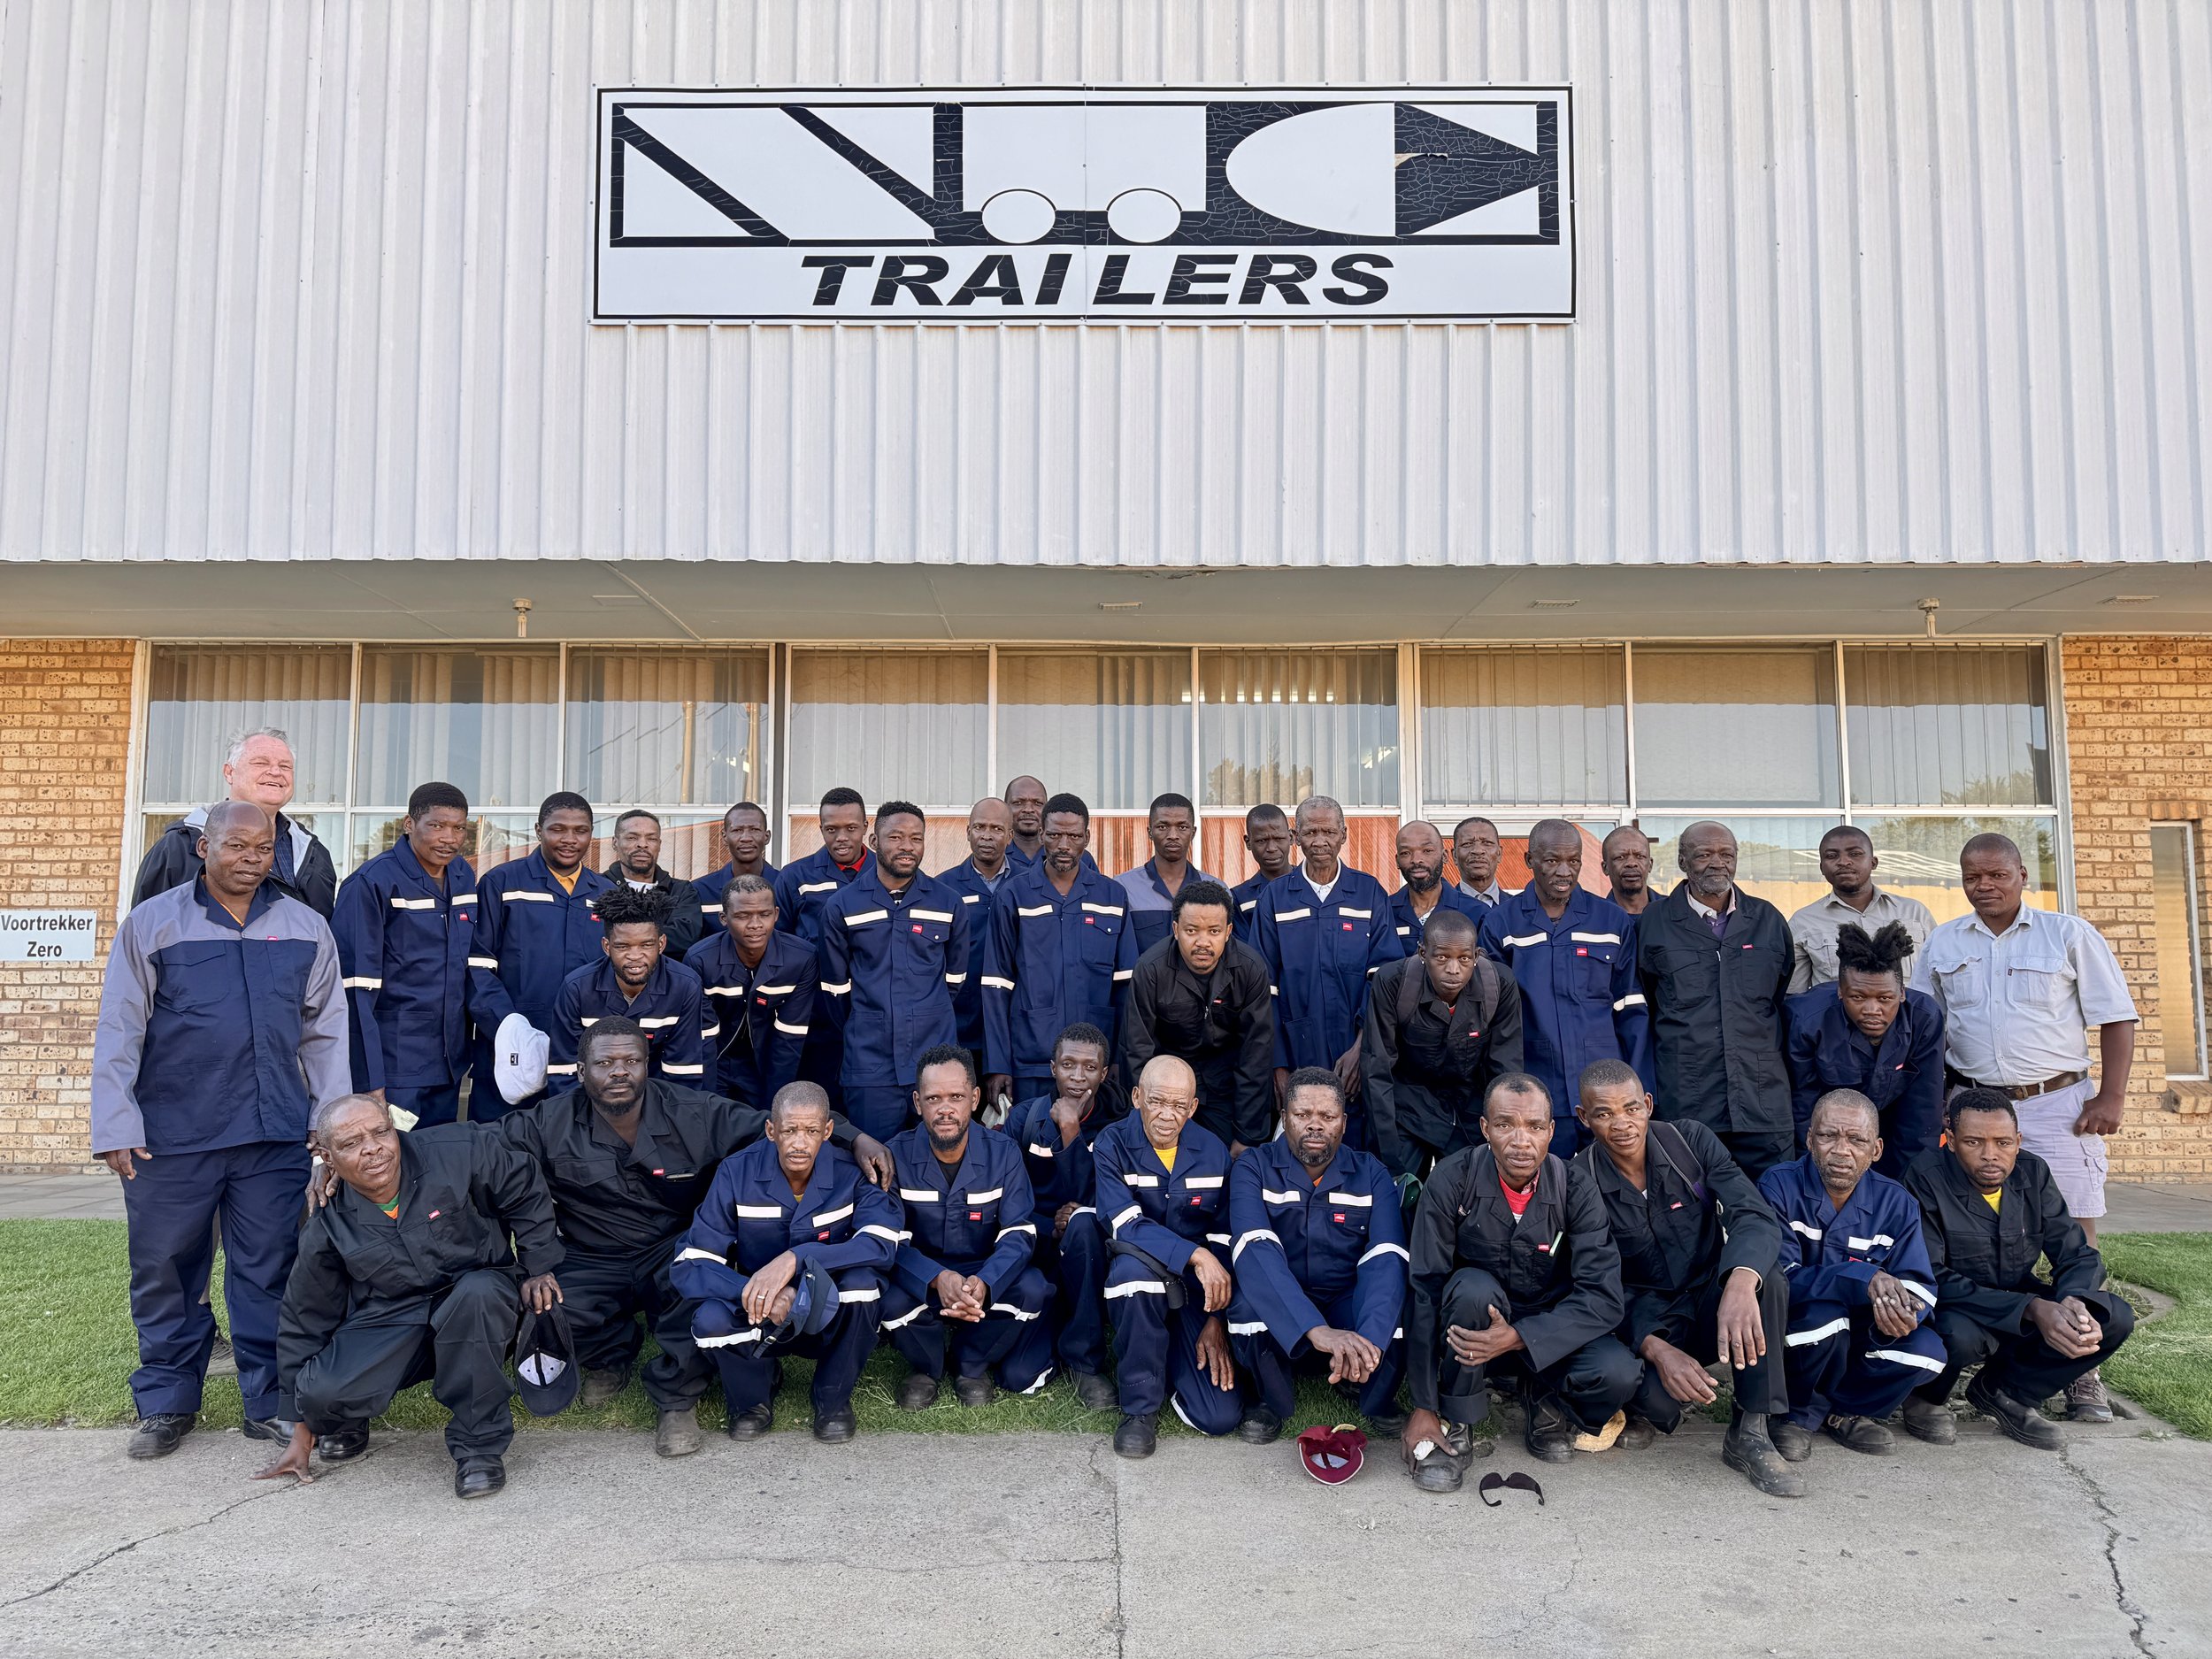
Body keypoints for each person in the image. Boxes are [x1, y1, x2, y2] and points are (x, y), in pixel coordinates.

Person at [495, 1017, 889, 1456]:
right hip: (591, 1255)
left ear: (649, 1066)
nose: (620, 1071)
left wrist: (857, 1138)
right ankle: (609, 1355)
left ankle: (677, 1400)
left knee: (699, 1295)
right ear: (580, 1071)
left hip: (667, 1246)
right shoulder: (547, 1122)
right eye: (605, 1062)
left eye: (631, 1060)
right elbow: (482, 1147)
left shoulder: (695, 1112)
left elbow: (784, 1122)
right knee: (548, 1306)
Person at [92, 800, 349, 1460]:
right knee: (167, 1268)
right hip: (171, 1134)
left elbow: (325, 1035)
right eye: (236, 846)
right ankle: (167, 1402)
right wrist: (115, 1120)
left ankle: (268, 1399)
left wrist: (332, 1125)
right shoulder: (152, 924)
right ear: (205, 847)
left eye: (262, 850)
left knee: (269, 1270)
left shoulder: (305, 926)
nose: (250, 859)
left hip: (272, 1134)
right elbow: (121, 1028)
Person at [1914, 832, 2138, 1422]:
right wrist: (1937, 1102)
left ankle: (2080, 1368)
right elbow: (1925, 1031)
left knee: (2077, 1236)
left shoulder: (2068, 934)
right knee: (1961, 1232)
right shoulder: (1942, 942)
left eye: (1996, 874)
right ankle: (1977, 1340)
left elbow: (2116, 1016)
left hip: (2055, 1103)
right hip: (1969, 1103)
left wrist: (2111, 1095)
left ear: (2021, 874)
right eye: (1972, 876)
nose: (1984, 885)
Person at [258, 1094, 561, 1499]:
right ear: (327, 1160)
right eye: (351, 1144)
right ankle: (347, 1420)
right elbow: (305, 1316)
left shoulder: (457, 1151)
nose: (373, 1148)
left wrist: (537, 1266)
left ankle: (478, 1450)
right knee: (320, 1392)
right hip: (397, 1313)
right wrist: (299, 1426)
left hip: (478, 1296)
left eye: (381, 1132)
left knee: (478, 1294)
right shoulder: (327, 1221)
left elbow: (523, 1187)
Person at [1571, 1059, 1799, 1495]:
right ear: (1583, 1118)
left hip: (1713, 1299)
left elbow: (1753, 1214)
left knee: (1766, 1277)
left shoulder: (1688, 1142)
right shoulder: (1577, 1182)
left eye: (1632, 1108)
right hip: (1647, 1317)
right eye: (1604, 1113)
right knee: (1657, 1401)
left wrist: (1738, 1280)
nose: (1622, 1124)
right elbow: (1595, 1286)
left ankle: (1751, 1428)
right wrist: (1654, 1348)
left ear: (1649, 1105)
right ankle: (1641, 1410)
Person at [1402, 1074, 1638, 1489]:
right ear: (1485, 1129)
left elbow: (1602, 1296)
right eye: (1506, 1125)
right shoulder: (1452, 1181)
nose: (1520, 1141)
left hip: (1546, 1334)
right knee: (1472, 1288)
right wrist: (1422, 1405)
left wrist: (1519, 1337)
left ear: (1551, 1131)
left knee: (1616, 1372)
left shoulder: (1577, 1188)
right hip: (1473, 1330)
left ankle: (1544, 1397)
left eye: (1533, 1127)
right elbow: (1424, 1289)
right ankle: (1458, 1418)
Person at [1899, 1089, 2136, 1450]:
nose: (1990, 1154)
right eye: (1974, 1141)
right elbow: (1930, 1275)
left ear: (2018, 1141)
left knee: (2110, 1315)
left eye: (2003, 1142)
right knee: (1953, 1336)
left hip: (2016, 1293)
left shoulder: (2033, 1172)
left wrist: (2073, 1299)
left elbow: (2077, 1253)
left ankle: (2006, 1392)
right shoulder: (1925, 1176)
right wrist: (2031, 1309)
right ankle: (1924, 1399)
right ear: (1950, 1140)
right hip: (1959, 1305)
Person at [672, 1082, 902, 1441]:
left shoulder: (853, 1170)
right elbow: (691, 1261)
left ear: (827, 1131)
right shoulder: (737, 1172)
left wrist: (797, 1258)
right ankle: (752, 1400)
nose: (799, 1143)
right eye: (790, 1130)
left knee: (864, 1287)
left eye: (811, 1131)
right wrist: (758, 1291)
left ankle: (832, 1398)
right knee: (710, 1319)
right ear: (771, 1130)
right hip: (761, 1313)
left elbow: (881, 1243)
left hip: (828, 1310)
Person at [1758, 1089, 1944, 1460]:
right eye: (1829, 1136)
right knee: (1825, 1320)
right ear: (1810, 1139)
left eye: (1856, 1140)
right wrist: (1863, 1278)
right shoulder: (1778, 1186)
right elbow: (1782, 1278)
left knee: (1927, 1352)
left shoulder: (1897, 1202)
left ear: (1876, 1150)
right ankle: (1795, 1416)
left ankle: (1848, 1413)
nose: (1841, 1150)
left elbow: (1919, 1282)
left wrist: (1905, 1312)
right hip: (1802, 1322)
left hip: (1863, 1328)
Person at [1225, 1068, 1408, 1444]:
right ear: (1284, 1117)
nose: (1315, 1125)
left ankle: (1367, 1386)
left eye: (1327, 1116)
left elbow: (1386, 1257)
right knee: (1246, 1308)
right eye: (1302, 1115)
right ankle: (1268, 1400)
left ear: (1343, 1122)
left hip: (1343, 1301)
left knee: (1399, 1309)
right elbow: (1256, 1252)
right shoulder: (1253, 1167)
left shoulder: (1371, 1173)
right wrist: (1316, 1330)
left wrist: (1369, 1343)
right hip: (1282, 1307)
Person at [882, 1047, 1055, 1407]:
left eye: (956, 1097)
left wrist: (986, 1283)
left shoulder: (1004, 1152)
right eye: (934, 1098)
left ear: (975, 1098)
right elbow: (887, 1240)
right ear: (917, 1102)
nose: (946, 1109)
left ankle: (971, 1364)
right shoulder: (894, 1156)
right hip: (923, 1278)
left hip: (983, 1272)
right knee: (884, 1292)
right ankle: (927, 1367)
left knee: (1033, 1288)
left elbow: (1019, 1234)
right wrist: (935, 1277)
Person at [1635, 821, 1798, 1178]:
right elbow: (1647, 1000)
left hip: (1762, 1102)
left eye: (1727, 854)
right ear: (1682, 860)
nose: (1717, 863)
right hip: (1689, 1099)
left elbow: (1779, 996)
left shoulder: (1767, 920)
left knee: (1773, 1205)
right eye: (1704, 854)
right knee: (1692, 1211)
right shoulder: (1654, 922)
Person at [1095, 1056, 1240, 1456]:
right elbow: (1125, 1223)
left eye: (1179, 1106)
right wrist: (1195, 1254)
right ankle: (1140, 1409)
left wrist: (1217, 1320)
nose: (1167, 1115)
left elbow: (1226, 1239)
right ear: (1138, 1097)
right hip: (1139, 1269)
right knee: (1133, 1277)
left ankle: (1171, 1364)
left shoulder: (1213, 1150)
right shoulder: (1111, 1143)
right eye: (1158, 1101)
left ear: (1193, 1108)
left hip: (1196, 1291)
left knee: (1219, 1418)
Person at [1479, 819, 1650, 1158]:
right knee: (1545, 1191)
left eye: (1573, 861)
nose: (1564, 871)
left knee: (1611, 1191)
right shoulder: (1502, 923)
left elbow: (1630, 1010)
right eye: (1552, 860)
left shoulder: (1611, 921)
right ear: (1529, 861)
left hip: (1606, 1097)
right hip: (1536, 1092)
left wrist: (1641, 1093)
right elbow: (1491, 1020)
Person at [331, 782, 479, 1129]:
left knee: (441, 1164)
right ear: (409, 824)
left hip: (450, 1061)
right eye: (437, 826)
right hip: (395, 1065)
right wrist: (370, 1081)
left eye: (459, 828)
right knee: (389, 1166)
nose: (449, 838)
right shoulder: (371, 883)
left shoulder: (462, 875)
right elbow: (354, 990)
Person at [817, 801, 969, 1139]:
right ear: (874, 841)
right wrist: (869, 1021)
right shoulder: (843, 905)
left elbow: (954, 981)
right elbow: (835, 990)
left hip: (934, 1063)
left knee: (938, 1160)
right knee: (874, 1161)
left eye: (916, 839)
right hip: (871, 1066)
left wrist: (924, 1014)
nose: (906, 847)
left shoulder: (947, 903)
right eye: (896, 837)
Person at [982, 792, 1138, 1108]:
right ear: (1041, 835)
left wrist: (1121, 1057)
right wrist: (997, 1062)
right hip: (1032, 1058)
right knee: (1030, 1146)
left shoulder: (1112, 896)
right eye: (1054, 835)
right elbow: (995, 985)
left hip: (1096, 1064)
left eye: (1073, 836)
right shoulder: (1015, 895)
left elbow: (1127, 987)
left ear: (1087, 838)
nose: (1064, 845)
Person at [1255, 795, 1404, 1121]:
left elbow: (1383, 979)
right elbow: (1263, 990)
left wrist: (1360, 1051)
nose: (1319, 842)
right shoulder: (1276, 898)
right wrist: (1278, 1065)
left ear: (1344, 834)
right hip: (1296, 1051)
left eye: (1328, 832)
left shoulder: (1368, 893)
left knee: (1356, 1142)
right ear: (1296, 837)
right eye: (1310, 832)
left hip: (1356, 1052)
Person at [468, 793, 615, 1120]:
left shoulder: (606, 894)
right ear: (538, 830)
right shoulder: (502, 883)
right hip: (510, 1047)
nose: (569, 840)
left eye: (580, 830)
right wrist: (508, 1027)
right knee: (501, 1149)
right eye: (558, 829)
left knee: (571, 1146)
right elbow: (478, 966)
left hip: (582, 1045)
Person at [1007, 1023, 1125, 1410]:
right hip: (1037, 1247)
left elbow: (1104, 1198)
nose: (1078, 1077)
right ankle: (1047, 1332)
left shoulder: (1117, 1126)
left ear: (1104, 1074)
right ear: (1052, 1067)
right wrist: (1047, 1227)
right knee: (1017, 1376)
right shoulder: (1025, 1119)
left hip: (1090, 1252)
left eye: (1090, 1067)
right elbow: (1007, 1196)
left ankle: (1084, 1361)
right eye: (1068, 1065)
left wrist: (1072, 1128)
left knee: (1084, 1225)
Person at [1361, 910, 1524, 1179]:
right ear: (1423, 953)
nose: (1453, 969)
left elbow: (1505, 1070)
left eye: (1464, 959)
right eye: (1441, 957)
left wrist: (1501, 1138)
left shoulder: (1499, 985)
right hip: (1408, 1110)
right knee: (1401, 1198)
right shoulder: (1393, 983)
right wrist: (1390, 1160)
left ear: (1477, 956)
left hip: (1469, 1111)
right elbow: (1376, 1070)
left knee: (1472, 1198)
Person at [1119, 880, 1277, 1151]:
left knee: (1228, 1165)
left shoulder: (1250, 969)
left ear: (1228, 931)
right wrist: (1144, 1120)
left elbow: (1256, 1056)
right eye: (1192, 930)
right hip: (1167, 1085)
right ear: (1176, 929)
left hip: (1225, 1086)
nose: (1203, 942)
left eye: (1214, 931)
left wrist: (1247, 1135)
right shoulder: (1151, 969)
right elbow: (1137, 1050)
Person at [1786, 922, 1946, 1174]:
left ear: (1902, 993)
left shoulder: (1924, 1018)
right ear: (1840, 992)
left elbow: (1923, 1112)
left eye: (1885, 999)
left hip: (1892, 1129)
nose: (1872, 1010)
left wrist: (1913, 1183)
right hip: (1829, 1132)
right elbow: (1802, 1106)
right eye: (1858, 997)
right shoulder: (1806, 1020)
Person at [133, 726, 338, 917]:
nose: (276, 772)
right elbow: (143, 934)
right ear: (229, 773)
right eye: (261, 762)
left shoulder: (314, 854)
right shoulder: (179, 848)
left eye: (285, 766)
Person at [547, 887, 713, 1089]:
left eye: (645, 945)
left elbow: (682, 1074)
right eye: (623, 946)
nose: (635, 956)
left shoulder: (685, 986)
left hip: (656, 1099)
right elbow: (565, 1073)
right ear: (607, 947)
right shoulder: (577, 988)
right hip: (593, 1100)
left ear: (661, 944)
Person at [684, 875, 815, 1108]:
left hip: (766, 1061)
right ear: (724, 918)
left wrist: (774, 1105)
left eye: (764, 915)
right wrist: (707, 1101)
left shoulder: (801, 958)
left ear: (776, 914)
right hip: (717, 1058)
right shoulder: (700, 959)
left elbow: (789, 1038)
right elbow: (703, 1037)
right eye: (743, 916)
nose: (755, 925)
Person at [1786, 826, 1937, 995]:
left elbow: (1938, 981)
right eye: (1831, 856)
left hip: (1910, 1020)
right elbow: (1795, 996)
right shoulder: (1803, 921)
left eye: (1855, 854)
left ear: (1873, 862)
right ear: (1822, 867)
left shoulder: (1914, 912)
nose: (1843, 861)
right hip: (1836, 1020)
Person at [935, 797, 1017, 1087]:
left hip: (1014, 1023)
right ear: (968, 831)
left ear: (1010, 835)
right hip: (961, 1022)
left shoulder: (1030, 883)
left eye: (996, 828)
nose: (987, 835)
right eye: (980, 827)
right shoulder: (943, 888)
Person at [1115, 792, 1215, 956]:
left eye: (1182, 827)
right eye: (1163, 827)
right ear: (1149, 832)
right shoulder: (1123, 888)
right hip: (1144, 982)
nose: (1173, 836)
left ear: (1193, 833)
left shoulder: (1216, 890)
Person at [773, 787, 874, 946]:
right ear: (822, 829)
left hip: (871, 970)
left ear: (865, 827)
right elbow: (779, 939)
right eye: (831, 829)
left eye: (851, 828)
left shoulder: (886, 874)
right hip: (815, 970)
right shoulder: (794, 876)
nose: (841, 837)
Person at [604, 809, 705, 959]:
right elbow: (592, 935)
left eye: (651, 839)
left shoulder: (680, 891)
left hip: (667, 980)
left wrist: (624, 936)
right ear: (615, 842)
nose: (642, 845)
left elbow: (684, 938)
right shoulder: (599, 887)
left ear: (659, 844)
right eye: (632, 838)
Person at [1388, 819, 1486, 946]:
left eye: (1427, 850)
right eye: (1406, 853)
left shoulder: (1476, 912)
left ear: (1444, 856)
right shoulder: (1385, 911)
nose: (1416, 860)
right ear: (1397, 861)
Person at [690, 801, 780, 926]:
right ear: (724, 837)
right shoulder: (700, 890)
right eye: (737, 830)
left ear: (767, 836)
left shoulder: (785, 886)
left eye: (754, 830)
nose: (746, 838)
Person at [1231, 803, 1295, 941]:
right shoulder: (1239, 899)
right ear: (1248, 842)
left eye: (1278, 839)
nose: (1271, 848)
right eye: (1262, 841)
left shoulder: (1311, 887)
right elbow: (1245, 953)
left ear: (1291, 837)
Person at [1451, 817, 1510, 909]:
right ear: (1455, 856)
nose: (1478, 850)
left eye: (1487, 843)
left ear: (1499, 854)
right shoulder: (1440, 909)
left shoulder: (1517, 909)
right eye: (1467, 844)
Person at [1601, 825, 1654, 917]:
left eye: (1640, 856)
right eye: (1620, 857)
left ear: (1650, 865)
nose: (1631, 863)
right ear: (1605, 868)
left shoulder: (1673, 912)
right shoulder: (1595, 918)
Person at [1002, 775, 1048, 869]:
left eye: (1037, 803)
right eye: (1018, 803)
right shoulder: (993, 855)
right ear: (1005, 807)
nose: (1028, 809)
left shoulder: (1071, 855)